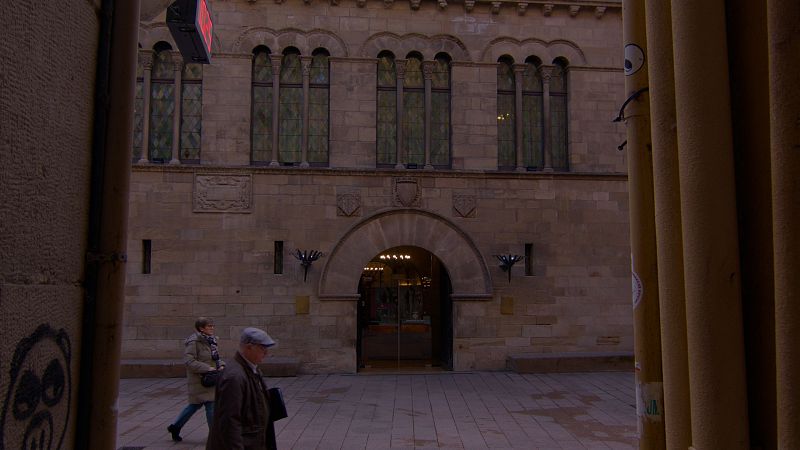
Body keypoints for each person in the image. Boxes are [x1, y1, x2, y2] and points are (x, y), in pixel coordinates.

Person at [206, 327, 278, 450]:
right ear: (249, 347)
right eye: (262, 348)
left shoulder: (251, 368)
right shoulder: (234, 377)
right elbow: (230, 423)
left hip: (253, 441)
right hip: (244, 443)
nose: (266, 353)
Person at [166, 317, 225, 442]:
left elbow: (215, 358)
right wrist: (207, 368)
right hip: (200, 379)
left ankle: (175, 427)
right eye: (209, 326)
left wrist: (221, 365)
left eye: (212, 326)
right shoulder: (194, 342)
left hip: (210, 378)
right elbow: (189, 361)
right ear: (201, 328)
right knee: (210, 405)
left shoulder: (211, 341)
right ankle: (215, 436)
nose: (212, 328)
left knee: (194, 405)